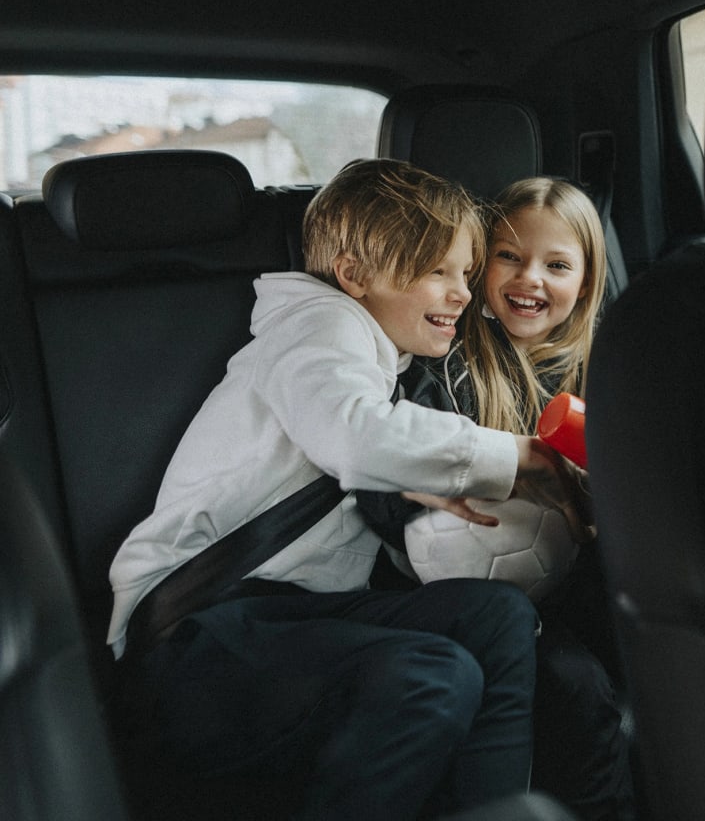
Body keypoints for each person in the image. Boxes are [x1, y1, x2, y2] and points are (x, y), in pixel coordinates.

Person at [108, 158, 587, 821]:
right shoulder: (318, 327)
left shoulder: (382, 362)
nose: (462, 294)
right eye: (436, 272)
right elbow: (356, 438)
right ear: (356, 276)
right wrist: (519, 456)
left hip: (289, 624)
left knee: (496, 618)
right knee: (434, 675)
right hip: (195, 644)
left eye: (466, 274)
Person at [359, 176, 634, 821]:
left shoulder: (605, 368)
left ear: (587, 282)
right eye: (510, 256)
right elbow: (386, 474)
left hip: (586, 572)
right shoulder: (441, 363)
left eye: (557, 264)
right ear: (481, 268)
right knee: (577, 688)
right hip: (484, 589)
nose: (529, 278)